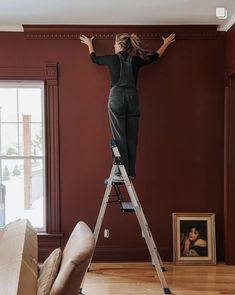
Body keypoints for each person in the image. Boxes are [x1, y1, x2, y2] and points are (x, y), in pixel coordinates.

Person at [80, 32, 175, 181]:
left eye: (115, 43)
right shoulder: (136, 61)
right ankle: (129, 172)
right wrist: (166, 43)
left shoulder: (112, 59)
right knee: (131, 137)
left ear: (120, 45)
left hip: (117, 98)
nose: (113, 45)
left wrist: (90, 44)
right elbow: (155, 57)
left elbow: (94, 59)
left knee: (119, 136)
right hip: (132, 98)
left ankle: (120, 172)